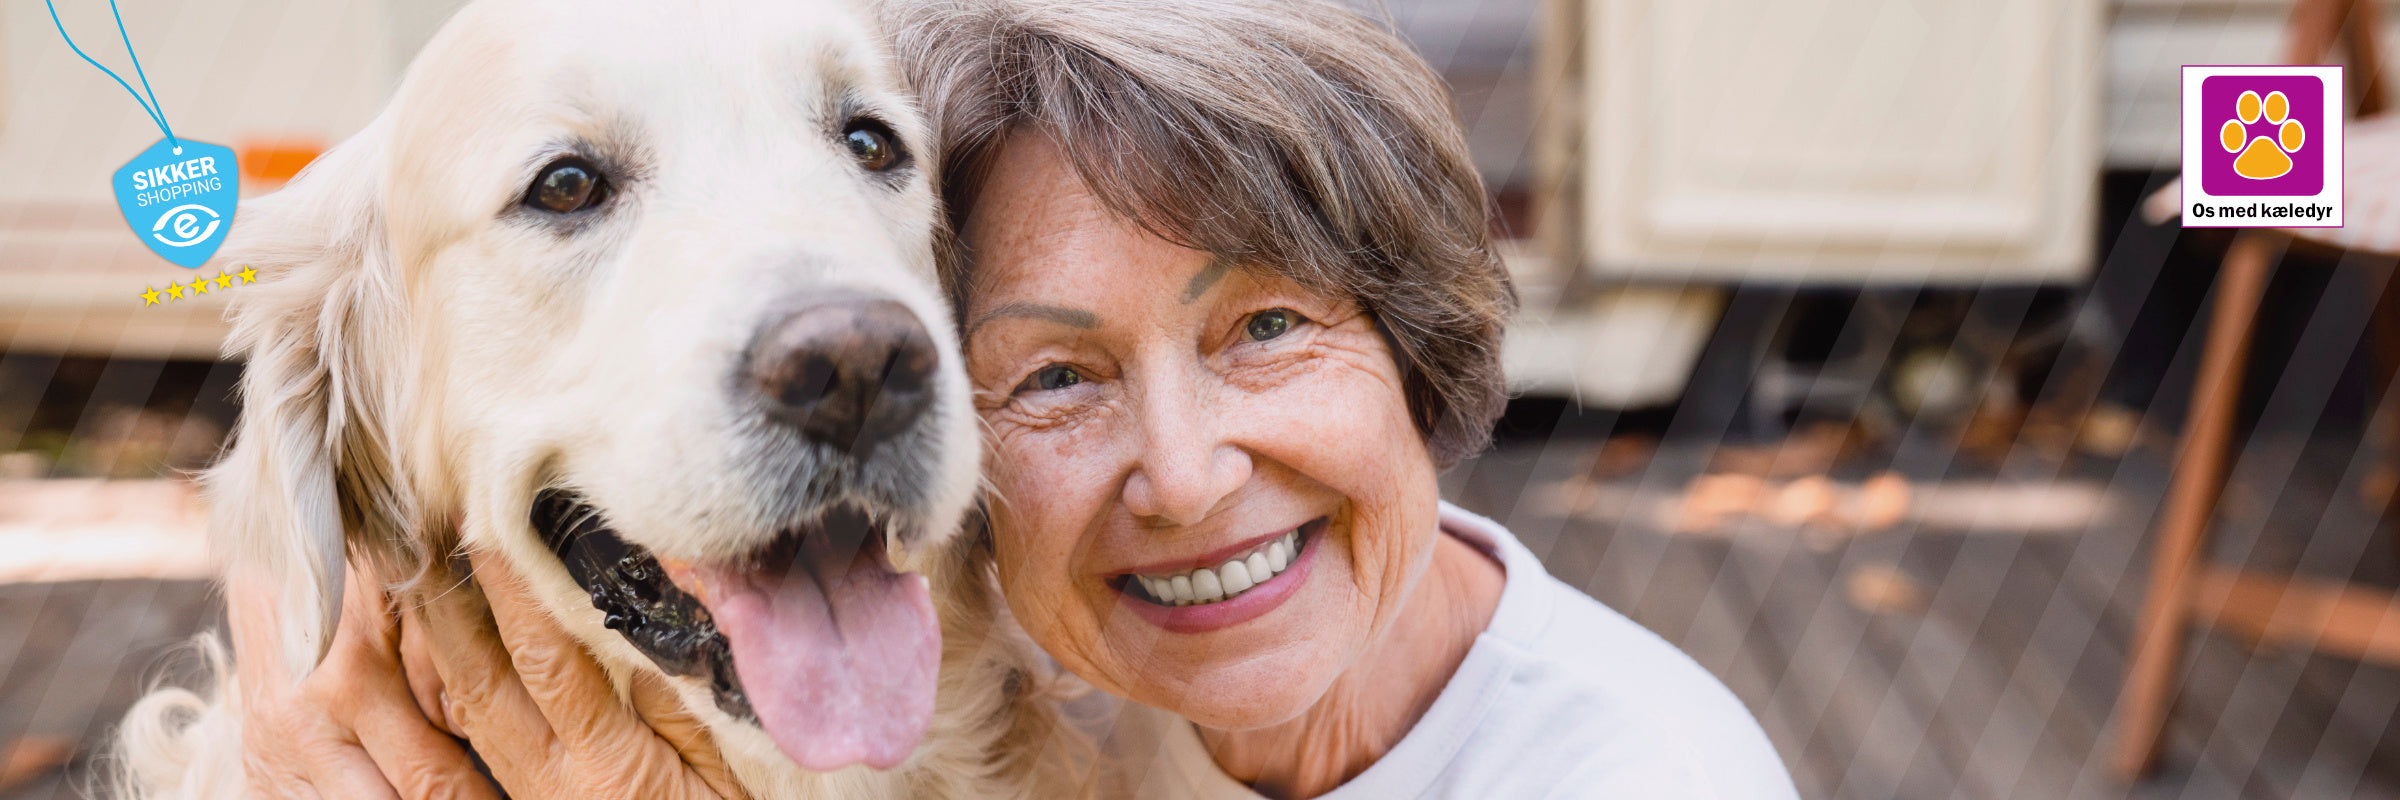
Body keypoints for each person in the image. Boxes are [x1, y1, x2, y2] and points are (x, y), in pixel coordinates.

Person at [230, 1, 1800, 797]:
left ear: (1415, 341)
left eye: (1265, 328)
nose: (1185, 476)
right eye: (1054, 374)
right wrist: (290, 616)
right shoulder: (1127, 691)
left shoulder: (1633, 775)